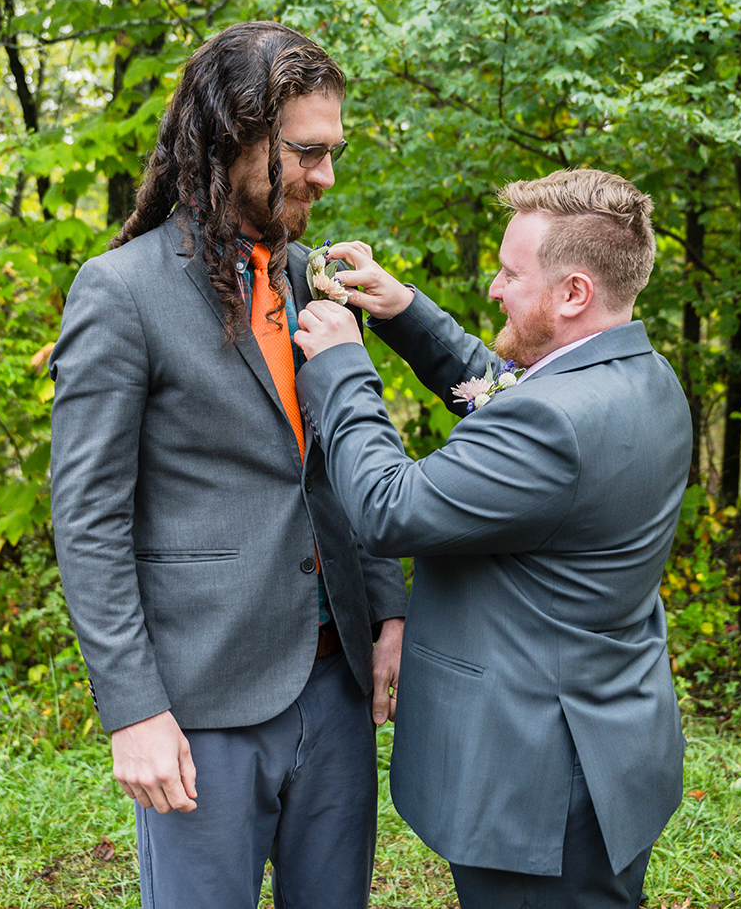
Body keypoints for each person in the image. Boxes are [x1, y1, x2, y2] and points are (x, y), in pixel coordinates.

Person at [49, 21, 407, 909]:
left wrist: (389, 608)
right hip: (201, 701)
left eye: (334, 151)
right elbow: (88, 520)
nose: (326, 175)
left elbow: (335, 460)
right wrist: (133, 708)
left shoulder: (307, 278)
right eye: (307, 152)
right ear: (232, 137)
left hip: (336, 686)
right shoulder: (120, 290)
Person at [292, 168, 692, 909]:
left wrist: (345, 366)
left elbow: (388, 505)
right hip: (605, 746)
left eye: (511, 273)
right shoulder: (641, 373)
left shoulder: (556, 424)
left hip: (538, 783)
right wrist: (405, 312)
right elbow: (505, 387)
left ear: (573, 292)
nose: (495, 289)